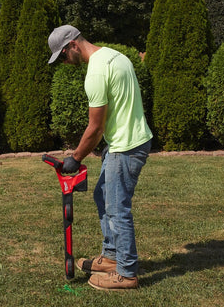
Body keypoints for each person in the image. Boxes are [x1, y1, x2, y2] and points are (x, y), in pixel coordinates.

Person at [48, 25, 152, 291]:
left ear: (72, 45)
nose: (64, 61)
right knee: (103, 195)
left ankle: (126, 272)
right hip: (129, 140)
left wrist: (75, 157)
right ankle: (111, 256)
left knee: (117, 208)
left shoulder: (95, 71)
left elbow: (95, 126)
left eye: (62, 55)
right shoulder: (116, 57)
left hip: (126, 146)